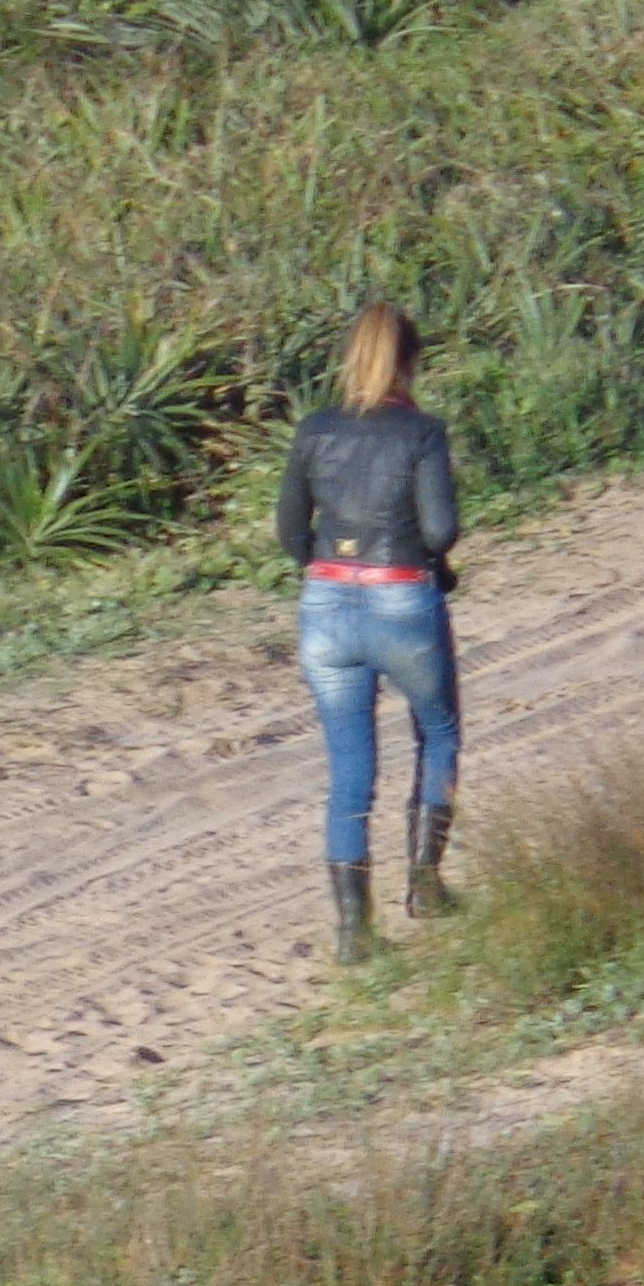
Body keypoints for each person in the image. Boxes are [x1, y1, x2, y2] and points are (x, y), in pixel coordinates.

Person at [274, 302, 463, 965]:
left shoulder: (314, 430)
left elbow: (290, 530)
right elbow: (440, 530)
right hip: (402, 600)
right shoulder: (422, 432)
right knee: (437, 735)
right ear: (411, 361)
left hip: (324, 602)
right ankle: (426, 883)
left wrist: (327, 571)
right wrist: (422, 560)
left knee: (349, 770)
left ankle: (355, 932)